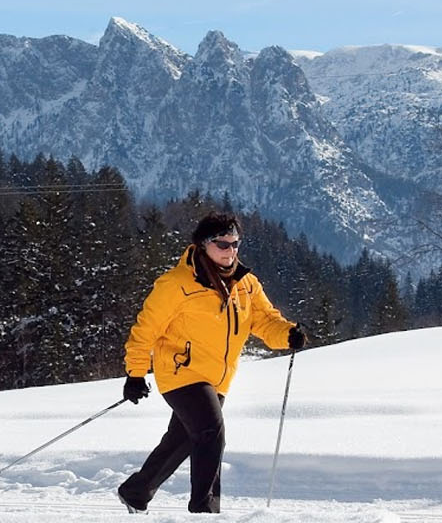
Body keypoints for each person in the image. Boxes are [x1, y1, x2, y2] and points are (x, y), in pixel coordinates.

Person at [117, 211, 307, 514]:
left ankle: (136, 491)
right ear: (203, 245)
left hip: (218, 378)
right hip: (181, 372)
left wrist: (288, 334)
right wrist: (136, 374)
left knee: (182, 440)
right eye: (222, 244)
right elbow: (145, 330)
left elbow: (264, 320)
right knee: (210, 431)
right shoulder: (175, 284)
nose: (230, 251)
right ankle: (205, 511)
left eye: (235, 244)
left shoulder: (246, 284)